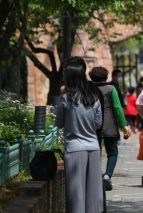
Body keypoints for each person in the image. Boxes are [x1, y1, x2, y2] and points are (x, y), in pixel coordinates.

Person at [55, 64, 104, 213]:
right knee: (94, 193)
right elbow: (98, 123)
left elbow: (59, 123)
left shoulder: (65, 99)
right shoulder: (93, 98)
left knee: (76, 194)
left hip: (74, 149)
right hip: (93, 148)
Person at [88, 66, 132, 191]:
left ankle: (94, 177)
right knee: (112, 152)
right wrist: (124, 125)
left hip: (91, 125)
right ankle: (107, 175)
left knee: (95, 152)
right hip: (109, 124)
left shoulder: (88, 89)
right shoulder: (111, 88)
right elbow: (117, 108)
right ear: (106, 77)